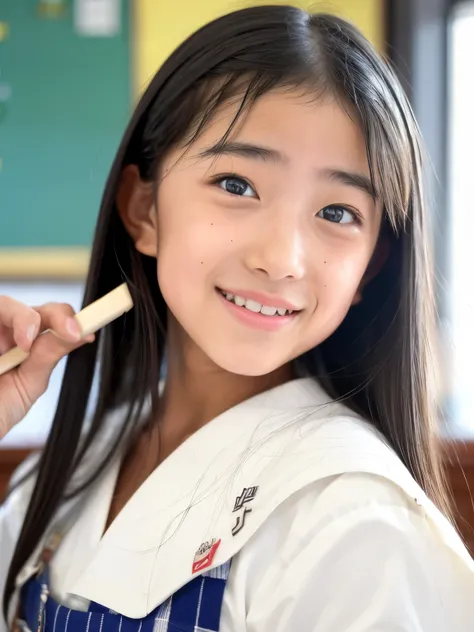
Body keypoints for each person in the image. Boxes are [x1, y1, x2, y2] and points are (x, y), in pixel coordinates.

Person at [0, 5, 472, 631]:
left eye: (336, 213)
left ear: (369, 268)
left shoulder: (355, 525)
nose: (281, 259)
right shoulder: (62, 475)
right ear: (144, 211)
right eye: (237, 184)